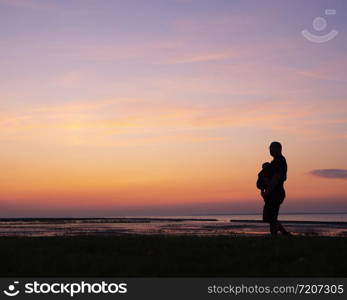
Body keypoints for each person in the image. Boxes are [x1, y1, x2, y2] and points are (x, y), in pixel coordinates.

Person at [260, 141, 291, 236]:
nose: (270, 150)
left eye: (271, 148)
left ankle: (275, 236)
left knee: (271, 217)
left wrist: (268, 191)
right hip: (273, 192)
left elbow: (277, 177)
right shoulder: (274, 162)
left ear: (278, 149)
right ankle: (284, 234)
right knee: (271, 217)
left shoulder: (280, 160)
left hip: (276, 192)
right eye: (269, 148)